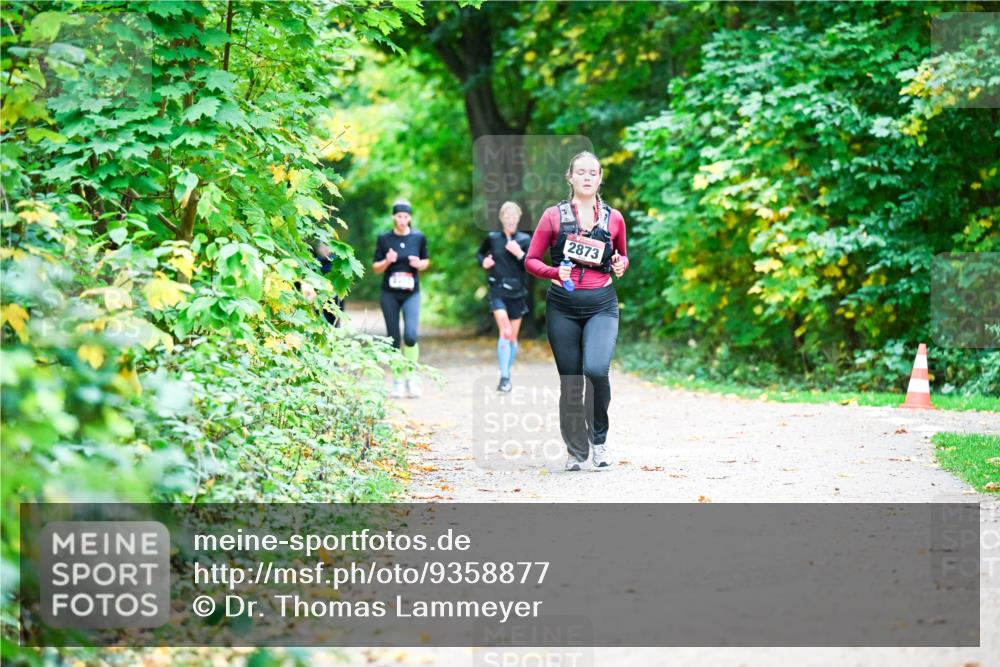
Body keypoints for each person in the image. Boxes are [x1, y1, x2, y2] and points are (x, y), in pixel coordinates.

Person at [524, 151, 628, 471]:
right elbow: (531, 260)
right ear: (569, 177)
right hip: (563, 307)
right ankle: (575, 451)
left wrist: (620, 264)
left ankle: (599, 441)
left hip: (601, 304)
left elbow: (622, 257)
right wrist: (555, 273)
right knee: (571, 381)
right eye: (580, 172)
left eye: (592, 172)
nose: (586, 177)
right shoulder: (553, 216)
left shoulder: (614, 218)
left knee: (596, 370)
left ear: (600, 178)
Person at [372, 198, 429, 398]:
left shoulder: (418, 237)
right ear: (393, 217)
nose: (402, 220)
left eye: (405, 216)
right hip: (389, 294)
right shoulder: (384, 239)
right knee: (393, 339)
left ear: (410, 217)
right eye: (399, 216)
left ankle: (411, 379)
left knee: (411, 336)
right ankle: (397, 381)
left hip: (411, 293)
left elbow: (426, 262)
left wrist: (418, 264)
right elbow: (375, 268)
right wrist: (387, 261)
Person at [476, 201, 532, 393]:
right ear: (501, 219)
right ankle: (504, 377)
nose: (510, 220)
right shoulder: (492, 238)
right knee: (505, 331)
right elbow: (480, 254)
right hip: (497, 290)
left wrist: (520, 254)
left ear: (518, 218)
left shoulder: (525, 239)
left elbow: (533, 265)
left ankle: (507, 371)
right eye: (506, 217)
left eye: (513, 217)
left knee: (513, 338)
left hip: (517, 292)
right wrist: (484, 261)